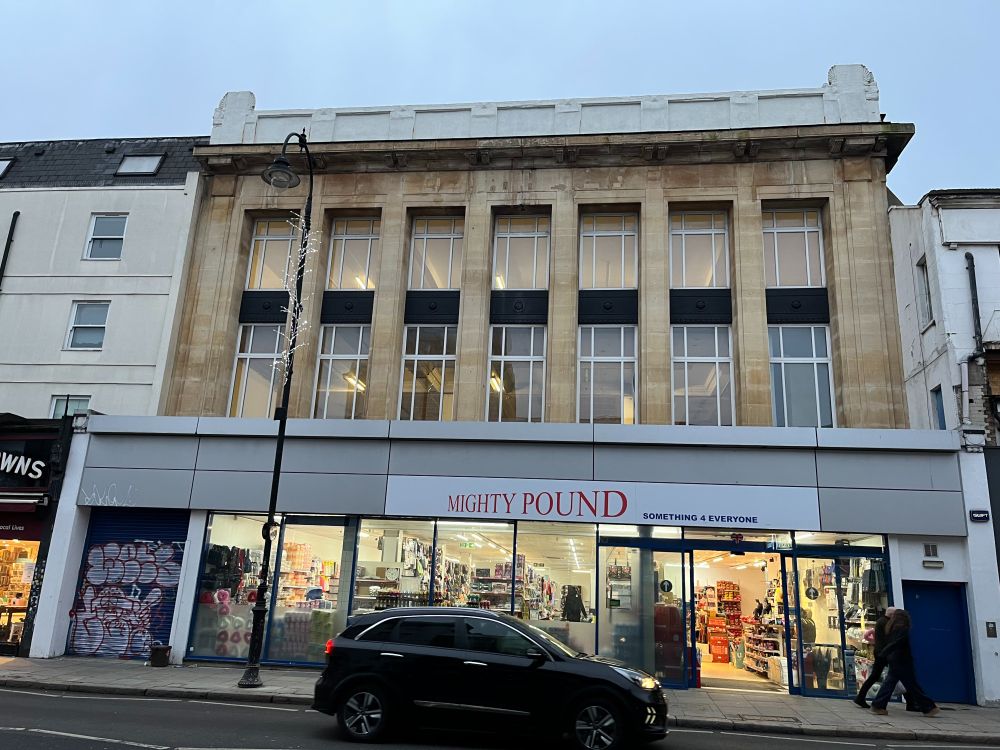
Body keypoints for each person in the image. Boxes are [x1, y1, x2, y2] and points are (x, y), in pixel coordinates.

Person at [869, 609, 940, 717]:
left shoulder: (890, 628)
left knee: (890, 683)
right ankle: (928, 707)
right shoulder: (902, 629)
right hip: (902, 660)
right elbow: (897, 643)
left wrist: (885, 654)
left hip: (893, 659)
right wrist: (884, 652)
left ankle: (878, 705)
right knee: (912, 685)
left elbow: (890, 643)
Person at [855, 607, 903, 709]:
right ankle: (861, 698)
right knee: (879, 676)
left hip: (880, 651)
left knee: (878, 675)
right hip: (884, 653)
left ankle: (861, 697)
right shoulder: (886, 623)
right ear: (892, 615)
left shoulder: (881, 621)